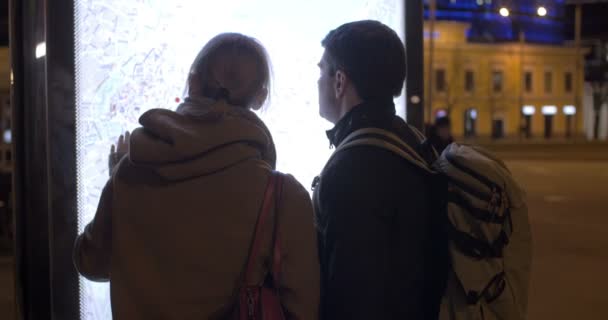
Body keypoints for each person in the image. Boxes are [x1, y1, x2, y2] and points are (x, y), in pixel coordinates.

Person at [73, 33, 319, 320]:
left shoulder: (131, 171)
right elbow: (303, 308)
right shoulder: (282, 196)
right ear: (261, 96)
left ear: (192, 82)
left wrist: (115, 179)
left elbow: (90, 261)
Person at [313, 20, 448, 319]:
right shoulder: (410, 140)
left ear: (339, 81)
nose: (318, 82)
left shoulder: (353, 167)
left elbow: (353, 296)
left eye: (321, 71)